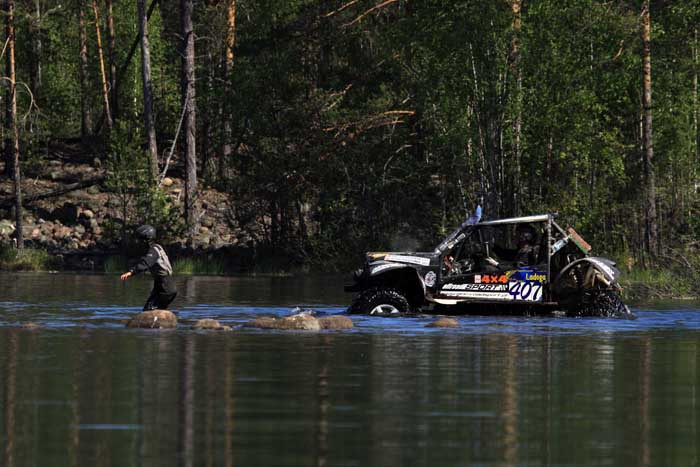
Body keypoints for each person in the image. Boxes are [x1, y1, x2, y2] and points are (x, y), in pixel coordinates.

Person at [120, 224, 177, 311]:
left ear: (146, 239)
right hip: (162, 285)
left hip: (165, 286)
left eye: (140, 239)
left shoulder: (153, 250)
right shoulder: (156, 247)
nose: (138, 242)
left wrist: (131, 272)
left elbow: (145, 263)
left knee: (149, 310)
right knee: (150, 309)